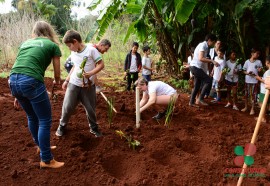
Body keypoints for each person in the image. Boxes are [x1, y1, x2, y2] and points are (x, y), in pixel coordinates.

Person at [8, 20, 64, 168]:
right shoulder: (52, 45)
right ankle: (46, 159)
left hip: (13, 80)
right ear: (49, 32)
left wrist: (17, 94)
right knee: (45, 120)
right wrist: (57, 81)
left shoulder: (25, 43)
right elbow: (57, 73)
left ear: (35, 31)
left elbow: (20, 64)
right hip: (31, 81)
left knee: (32, 116)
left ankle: (41, 146)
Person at [55, 30, 111, 137]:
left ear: (75, 42)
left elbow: (101, 64)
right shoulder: (73, 52)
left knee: (91, 109)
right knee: (67, 107)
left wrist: (90, 73)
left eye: (69, 45)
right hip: (74, 84)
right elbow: (75, 66)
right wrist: (67, 80)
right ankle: (62, 126)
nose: (69, 48)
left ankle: (94, 128)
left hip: (88, 86)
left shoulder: (91, 50)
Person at [189, 34, 219, 107]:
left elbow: (203, 61)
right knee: (208, 80)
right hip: (195, 67)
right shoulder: (203, 45)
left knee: (197, 86)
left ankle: (191, 102)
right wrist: (212, 61)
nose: (213, 44)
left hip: (196, 67)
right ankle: (201, 98)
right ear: (209, 40)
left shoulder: (205, 46)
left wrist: (207, 71)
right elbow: (201, 58)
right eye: (213, 42)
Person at [241, 48, 263, 115]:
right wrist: (248, 73)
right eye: (257, 53)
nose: (258, 55)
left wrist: (260, 70)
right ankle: (246, 107)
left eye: (258, 54)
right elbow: (243, 70)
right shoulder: (247, 62)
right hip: (247, 80)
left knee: (254, 95)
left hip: (255, 81)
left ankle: (252, 109)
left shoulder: (259, 62)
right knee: (246, 94)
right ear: (252, 54)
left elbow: (260, 69)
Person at [254, 55, 270, 122]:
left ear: (267, 62)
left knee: (261, 103)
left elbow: (266, 81)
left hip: (264, 91)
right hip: (266, 91)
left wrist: (259, 78)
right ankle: (263, 117)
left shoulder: (268, 72)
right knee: (264, 103)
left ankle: (263, 118)